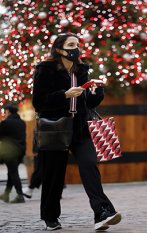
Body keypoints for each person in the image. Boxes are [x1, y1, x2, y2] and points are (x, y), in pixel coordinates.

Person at [32, 33, 121, 231]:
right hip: (55, 127)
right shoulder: (45, 69)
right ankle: (50, 217)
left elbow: (87, 103)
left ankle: (102, 213)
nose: (76, 48)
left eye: (77, 45)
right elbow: (38, 101)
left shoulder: (81, 70)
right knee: (53, 174)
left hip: (80, 127)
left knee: (90, 165)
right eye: (71, 45)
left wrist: (97, 94)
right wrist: (64, 94)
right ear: (59, 49)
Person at [0, 103, 26, 203]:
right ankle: (6, 194)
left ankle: (20, 195)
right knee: (12, 171)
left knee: (13, 172)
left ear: (8, 111)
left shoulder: (5, 122)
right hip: (20, 150)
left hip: (9, 151)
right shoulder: (22, 123)